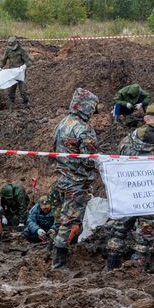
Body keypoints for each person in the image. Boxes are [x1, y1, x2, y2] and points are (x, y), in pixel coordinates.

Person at [105, 103, 154, 273]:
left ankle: (111, 266)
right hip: (153, 196)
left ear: (146, 118)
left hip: (129, 193)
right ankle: (137, 271)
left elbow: (117, 165)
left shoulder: (128, 140)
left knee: (118, 231)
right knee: (145, 237)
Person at [51, 88, 100, 270]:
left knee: (62, 217)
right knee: (70, 221)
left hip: (62, 178)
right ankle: (58, 263)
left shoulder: (62, 123)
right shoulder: (84, 129)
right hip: (78, 182)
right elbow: (90, 159)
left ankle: (54, 250)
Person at [0, 36, 32, 108]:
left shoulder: (22, 51)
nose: (12, 48)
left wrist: (24, 66)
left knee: (23, 89)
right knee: (11, 89)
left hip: (20, 72)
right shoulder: (8, 50)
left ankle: (26, 102)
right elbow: (3, 59)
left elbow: (28, 61)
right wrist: (0, 66)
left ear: (16, 43)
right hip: (12, 72)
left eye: (13, 46)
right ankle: (11, 102)